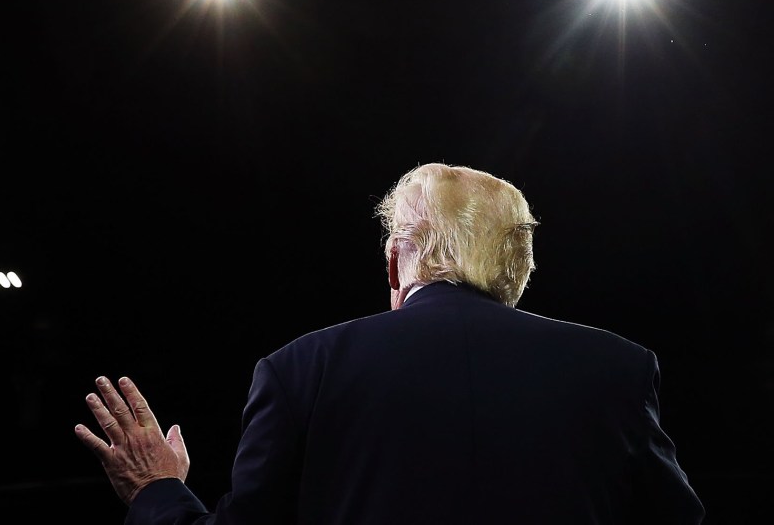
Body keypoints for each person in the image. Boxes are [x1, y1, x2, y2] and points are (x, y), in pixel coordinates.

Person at [74, 162, 705, 524]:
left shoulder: (299, 370)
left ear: (392, 261)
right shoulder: (618, 369)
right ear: (519, 271)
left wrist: (158, 489)